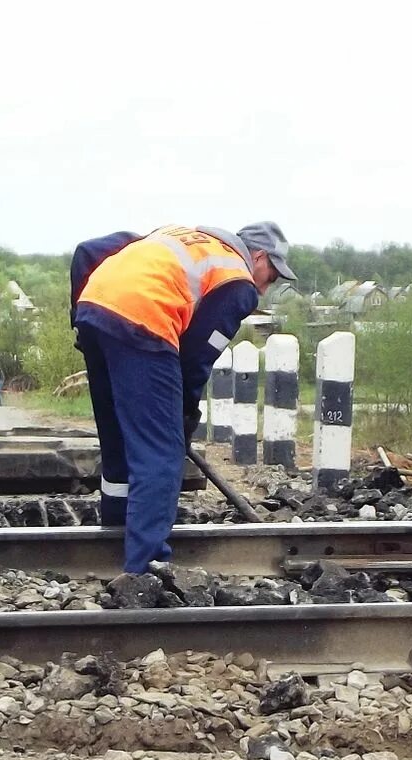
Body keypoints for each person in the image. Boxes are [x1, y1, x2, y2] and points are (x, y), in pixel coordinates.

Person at [70, 222, 295, 575]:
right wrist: (183, 417)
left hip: (94, 311)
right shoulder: (237, 280)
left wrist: (81, 321)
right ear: (259, 256)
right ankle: (146, 570)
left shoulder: (178, 235)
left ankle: (115, 531)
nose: (267, 288)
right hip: (145, 322)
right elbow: (195, 360)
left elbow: (88, 250)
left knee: (119, 441)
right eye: (272, 276)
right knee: (160, 454)